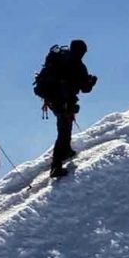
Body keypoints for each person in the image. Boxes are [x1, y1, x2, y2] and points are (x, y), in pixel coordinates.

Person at [33, 38, 97, 180]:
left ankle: (66, 151)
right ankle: (56, 166)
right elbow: (85, 88)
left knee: (65, 126)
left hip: (53, 100)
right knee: (63, 130)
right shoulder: (78, 65)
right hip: (63, 101)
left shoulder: (61, 59)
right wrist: (92, 82)